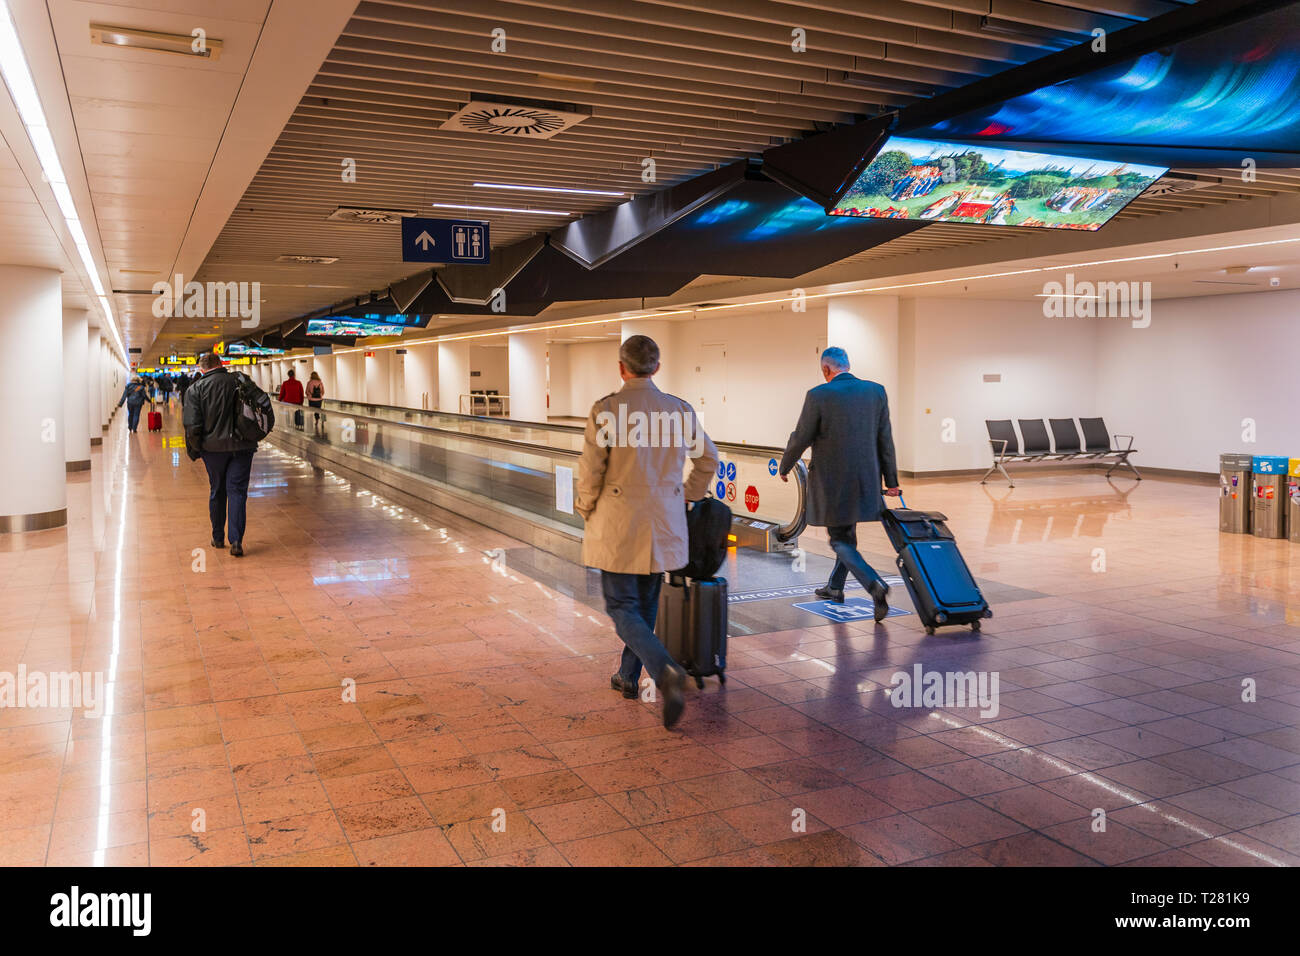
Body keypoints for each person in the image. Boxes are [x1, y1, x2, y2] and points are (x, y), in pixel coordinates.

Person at [576, 334, 718, 729]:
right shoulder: (679, 411)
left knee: (622, 609)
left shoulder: (607, 410)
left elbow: (591, 470)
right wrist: (687, 496)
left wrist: (585, 507)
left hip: (620, 524)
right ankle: (627, 676)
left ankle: (665, 670)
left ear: (621, 368)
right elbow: (709, 459)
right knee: (646, 605)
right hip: (663, 523)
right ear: (657, 367)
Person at [778, 346, 901, 623]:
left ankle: (874, 585)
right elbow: (885, 439)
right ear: (848, 365)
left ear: (825, 369)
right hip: (866, 480)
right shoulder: (876, 391)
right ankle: (835, 586)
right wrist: (891, 481)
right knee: (847, 535)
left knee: (838, 540)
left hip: (833, 483)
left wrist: (785, 466)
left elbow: (802, 437)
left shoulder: (819, 395)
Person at [184, 353, 261, 557]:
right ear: (221, 364)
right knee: (237, 491)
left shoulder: (195, 389)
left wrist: (196, 449)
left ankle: (218, 537)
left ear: (202, 369)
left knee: (217, 490)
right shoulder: (239, 381)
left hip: (213, 450)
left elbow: (192, 426)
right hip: (243, 447)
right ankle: (236, 541)